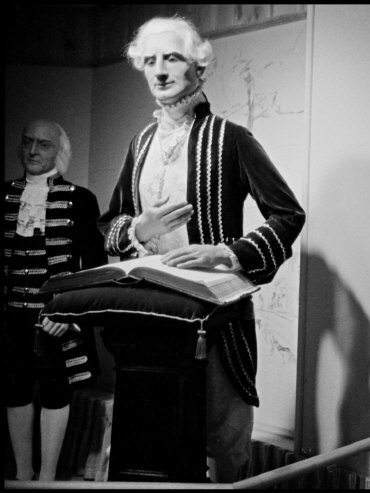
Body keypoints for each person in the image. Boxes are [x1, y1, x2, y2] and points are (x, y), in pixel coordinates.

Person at [97, 16, 306, 483]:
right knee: (145, 439)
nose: (160, 71)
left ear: (200, 68)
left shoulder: (231, 138)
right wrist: (137, 228)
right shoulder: (141, 143)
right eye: (150, 61)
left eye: (172, 58)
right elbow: (109, 224)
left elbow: (287, 214)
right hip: (148, 318)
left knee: (224, 442)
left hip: (215, 317)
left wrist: (226, 254)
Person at [3, 120, 107, 480]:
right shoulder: (4, 196)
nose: (33, 151)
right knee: (14, 390)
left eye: (44, 144)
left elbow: (93, 269)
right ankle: (22, 475)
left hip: (55, 320)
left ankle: (47, 479)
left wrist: (69, 314)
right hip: (11, 318)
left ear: (59, 151)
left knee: (55, 391)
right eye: (28, 142)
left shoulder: (81, 200)